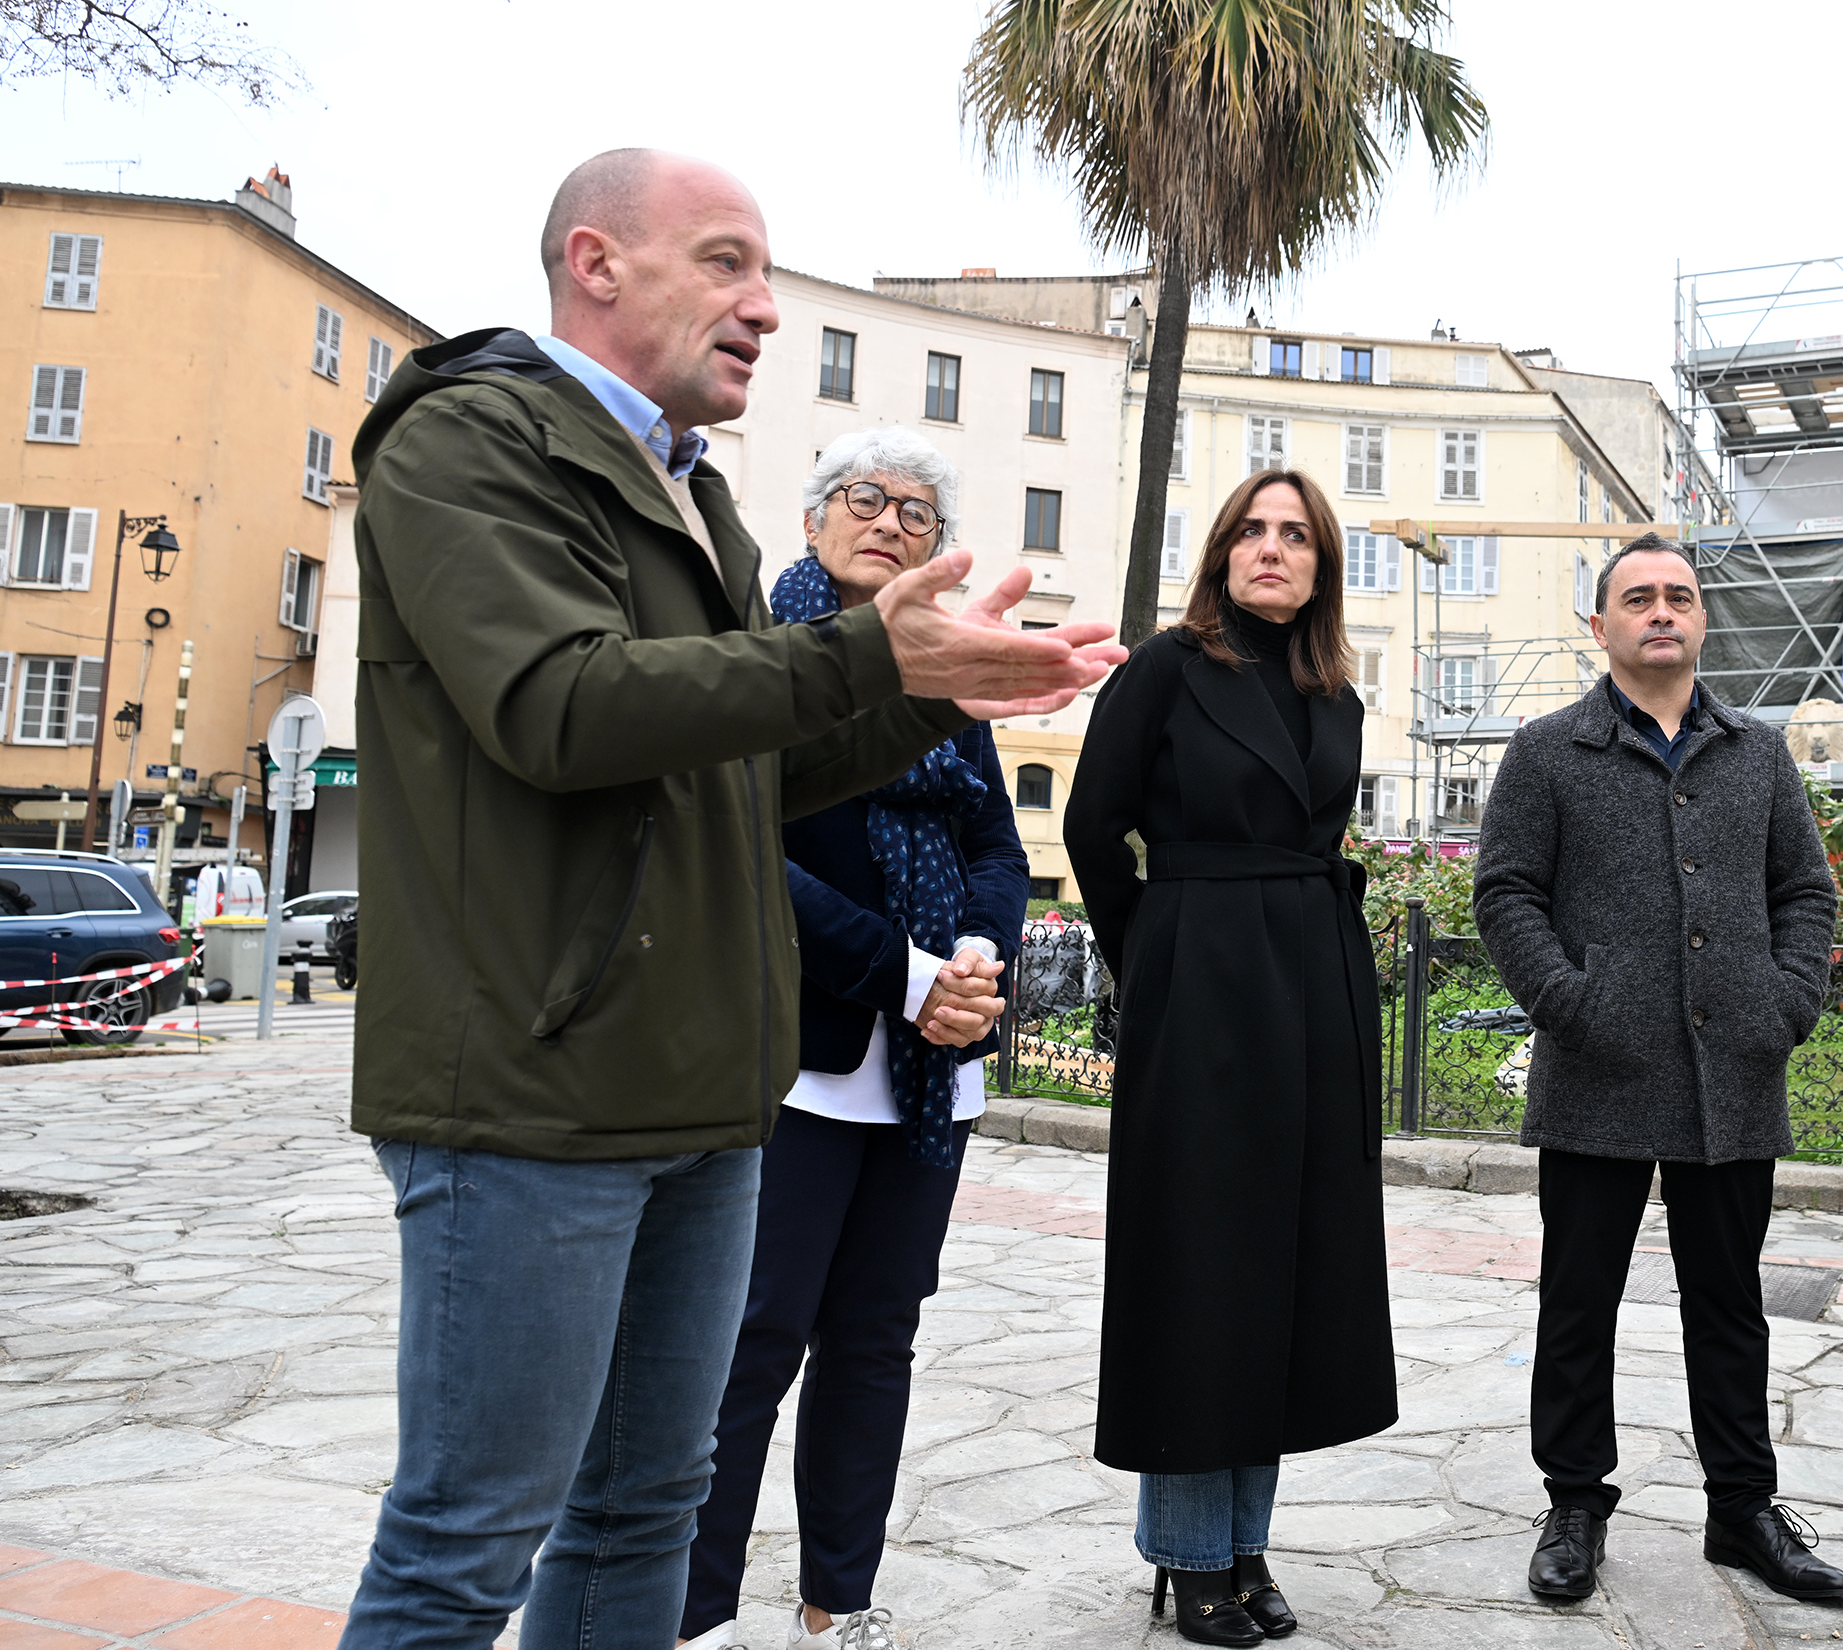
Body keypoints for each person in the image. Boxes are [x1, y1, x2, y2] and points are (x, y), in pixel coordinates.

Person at [340, 148, 1121, 1650]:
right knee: (471, 1535)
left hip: (701, 1094)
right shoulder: (468, 442)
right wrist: (875, 662)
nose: (766, 306)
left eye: (768, 272)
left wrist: (937, 695)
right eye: (726, 262)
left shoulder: (695, 499)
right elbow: (560, 708)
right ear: (596, 262)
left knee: (648, 1504)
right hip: (529, 1089)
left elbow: (740, 777)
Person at [676, 428, 1029, 1650]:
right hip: (802, 1054)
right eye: (864, 501)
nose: (889, 523)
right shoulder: (766, 653)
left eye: (918, 514)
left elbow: (994, 837)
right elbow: (741, 850)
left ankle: (839, 1604)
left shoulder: (944, 670)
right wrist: (905, 972)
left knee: (876, 1341)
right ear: (818, 518)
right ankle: (698, 1614)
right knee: (753, 1341)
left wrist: (980, 953)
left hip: (930, 1071)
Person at [1474, 534, 1843, 1607]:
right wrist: (1568, 999)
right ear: (1599, 625)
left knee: (1729, 1299)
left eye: (1678, 596)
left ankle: (1741, 1507)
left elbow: (1805, 891)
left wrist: (1785, 1003)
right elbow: (1504, 891)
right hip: (1596, 1063)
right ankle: (1575, 1502)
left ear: (1701, 621)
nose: (1660, 610)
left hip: (1733, 1065)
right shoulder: (1549, 749)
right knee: (1577, 1296)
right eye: (1636, 597)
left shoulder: (1758, 750)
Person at [1064, 469, 1396, 1646]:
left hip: (1313, 987)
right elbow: (1091, 827)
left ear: (1321, 564)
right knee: (1200, 1262)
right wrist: (1153, 952)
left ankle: (1247, 1540)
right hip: (1200, 981)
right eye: (1252, 530)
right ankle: (1191, 1549)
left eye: (1295, 535)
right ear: (1219, 552)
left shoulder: (1333, 690)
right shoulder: (1165, 666)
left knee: (1288, 1268)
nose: (1272, 549)